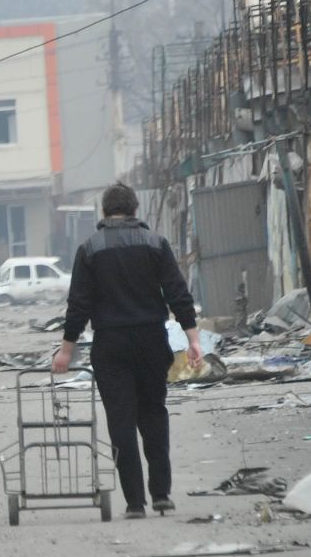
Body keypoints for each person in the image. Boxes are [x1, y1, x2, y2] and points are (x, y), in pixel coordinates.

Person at [52, 183, 201, 519]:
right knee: (153, 413)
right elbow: (178, 293)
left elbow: (79, 305)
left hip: (111, 345)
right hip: (151, 340)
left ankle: (135, 503)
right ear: (135, 209)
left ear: (105, 212)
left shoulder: (89, 249)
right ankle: (161, 494)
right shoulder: (155, 244)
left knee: (121, 421)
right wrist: (193, 339)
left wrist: (66, 350)